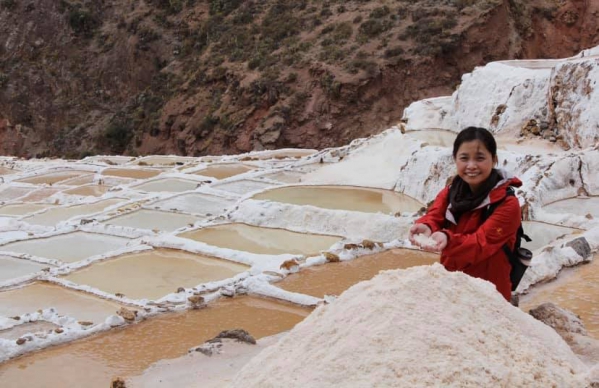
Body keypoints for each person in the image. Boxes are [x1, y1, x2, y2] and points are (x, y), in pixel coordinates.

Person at [408, 126, 522, 301]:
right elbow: (435, 215)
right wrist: (427, 226)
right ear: (455, 159)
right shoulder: (451, 192)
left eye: (480, 158)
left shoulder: (507, 204)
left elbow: (481, 244)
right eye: (464, 158)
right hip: (453, 286)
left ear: (494, 159)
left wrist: (448, 239)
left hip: (490, 293)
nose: (471, 166)